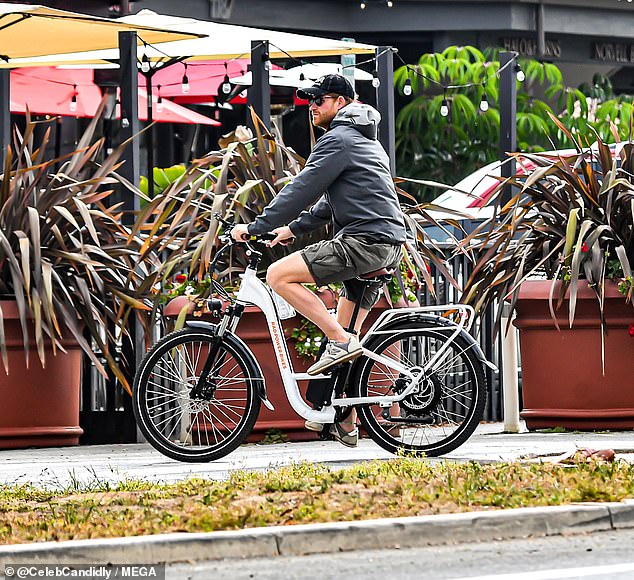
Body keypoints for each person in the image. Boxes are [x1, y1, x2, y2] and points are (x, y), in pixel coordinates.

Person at [231, 74, 407, 446]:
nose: (312, 107)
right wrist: (291, 230)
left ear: (340, 103)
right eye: (310, 101)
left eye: (320, 100)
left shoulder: (338, 140)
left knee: (279, 275)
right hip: (386, 242)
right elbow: (333, 201)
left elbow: (301, 189)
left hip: (364, 242)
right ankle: (345, 418)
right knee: (343, 337)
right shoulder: (365, 141)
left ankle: (340, 343)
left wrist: (258, 226)